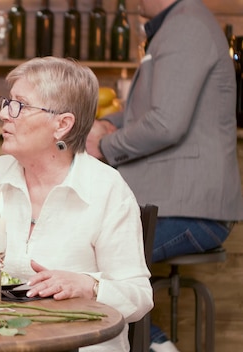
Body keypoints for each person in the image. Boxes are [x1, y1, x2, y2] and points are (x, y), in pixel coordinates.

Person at [0, 57, 153, 352]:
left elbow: (138, 296)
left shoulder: (106, 190)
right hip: (0, 342)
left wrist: (89, 286)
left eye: (19, 106)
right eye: (7, 102)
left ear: (62, 125)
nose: (4, 113)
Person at [86, 0, 243, 350]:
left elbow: (166, 124)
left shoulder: (185, 26)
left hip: (190, 210)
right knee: (91, 262)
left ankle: (158, 346)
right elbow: (154, 110)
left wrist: (106, 145)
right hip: (179, 206)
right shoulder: (178, 24)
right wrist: (112, 122)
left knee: (87, 262)